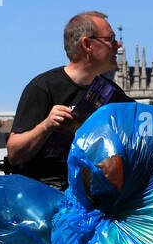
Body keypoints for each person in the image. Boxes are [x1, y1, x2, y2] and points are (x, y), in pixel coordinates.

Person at [7, 11, 131, 188]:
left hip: (98, 198)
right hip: (49, 198)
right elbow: (14, 153)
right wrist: (46, 125)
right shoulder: (43, 87)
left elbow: (147, 130)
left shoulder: (113, 94)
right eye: (110, 39)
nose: (118, 45)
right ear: (87, 44)